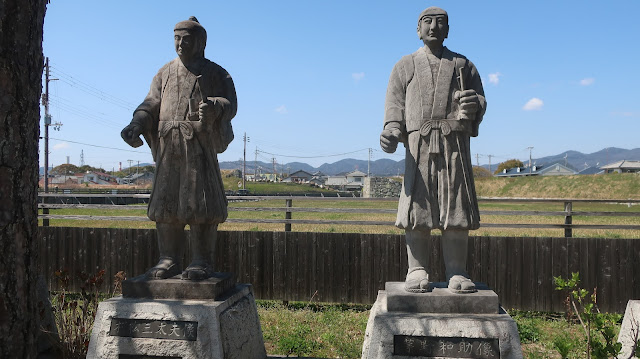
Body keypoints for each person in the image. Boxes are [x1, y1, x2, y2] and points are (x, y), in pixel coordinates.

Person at [121, 16, 237, 280]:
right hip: (168, 144)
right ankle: (168, 259)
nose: (180, 44)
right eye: (176, 38)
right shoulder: (164, 72)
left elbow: (231, 103)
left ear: (200, 42)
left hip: (198, 145)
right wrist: (137, 123)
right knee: (165, 201)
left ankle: (201, 260)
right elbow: (151, 103)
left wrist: (216, 108)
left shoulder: (216, 72)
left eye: (186, 39)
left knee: (201, 202)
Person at [380, 7, 486, 293]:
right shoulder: (405, 65)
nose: (434, 27)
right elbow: (394, 105)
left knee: (456, 210)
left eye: (440, 23)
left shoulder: (463, 65)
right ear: (418, 29)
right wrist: (392, 130)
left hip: (454, 145)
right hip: (419, 146)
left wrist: (474, 105)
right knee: (418, 209)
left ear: (448, 29)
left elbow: (480, 99)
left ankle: (457, 272)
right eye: (427, 22)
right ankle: (416, 269)